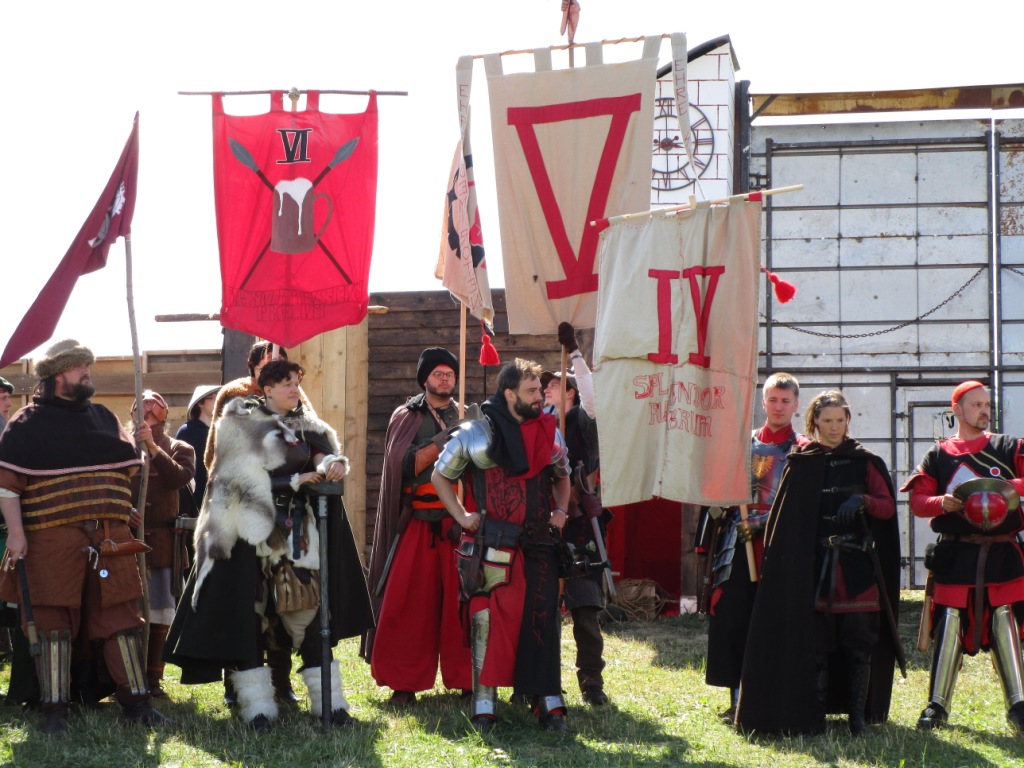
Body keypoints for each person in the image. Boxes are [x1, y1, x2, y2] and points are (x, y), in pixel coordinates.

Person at [165, 360, 373, 731]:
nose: (295, 389)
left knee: (309, 614)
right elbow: (233, 478)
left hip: (297, 536)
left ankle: (330, 705)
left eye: (296, 382)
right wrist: (295, 480)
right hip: (247, 538)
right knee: (250, 616)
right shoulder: (239, 424)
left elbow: (318, 455)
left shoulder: (306, 425)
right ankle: (258, 708)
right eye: (286, 383)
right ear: (268, 389)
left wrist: (331, 463)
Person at [0, 339, 171, 733]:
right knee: (52, 623)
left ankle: (137, 704)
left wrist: (125, 492)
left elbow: (126, 471)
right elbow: (7, 487)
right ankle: (55, 710)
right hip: (51, 540)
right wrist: (16, 534)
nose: (88, 374)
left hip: (109, 538)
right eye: (81, 368)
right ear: (59, 374)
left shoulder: (102, 417)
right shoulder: (27, 423)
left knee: (121, 619)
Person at [736, 390, 900, 735]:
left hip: (856, 569)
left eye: (840, 420)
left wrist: (864, 500)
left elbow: (887, 508)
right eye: (828, 421)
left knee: (859, 646)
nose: (835, 427)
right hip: (813, 568)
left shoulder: (866, 461)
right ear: (815, 422)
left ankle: (857, 719)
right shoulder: (803, 461)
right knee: (817, 647)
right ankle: (817, 716)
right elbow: (787, 516)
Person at [431, 358, 571, 733]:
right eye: (532, 391)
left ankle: (546, 698)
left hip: (538, 544)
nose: (540, 397)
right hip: (491, 544)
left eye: (540, 390)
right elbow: (440, 475)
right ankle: (484, 702)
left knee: (542, 618)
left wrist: (560, 510)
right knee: (486, 618)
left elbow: (563, 476)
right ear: (509, 394)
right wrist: (462, 516)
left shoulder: (548, 433)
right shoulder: (475, 433)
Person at [902, 380, 1024, 733]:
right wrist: (942, 502)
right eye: (976, 405)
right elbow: (918, 502)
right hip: (955, 554)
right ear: (957, 410)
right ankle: (937, 705)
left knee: (1005, 617)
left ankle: (1018, 705)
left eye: (987, 405)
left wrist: (1001, 488)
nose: (984, 411)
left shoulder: (1009, 447)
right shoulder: (938, 455)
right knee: (950, 620)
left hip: (1002, 552)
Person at [364, 347, 472, 705]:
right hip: (418, 524)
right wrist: (444, 440)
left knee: (463, 602)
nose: (445, 380)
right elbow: (404, 464)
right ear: (425, 378)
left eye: (450, 374)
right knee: (409, 603)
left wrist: (470, 433)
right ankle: (404, 681)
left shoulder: (465, 414)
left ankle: (467, 679)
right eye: (438, 374)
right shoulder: (407, 416)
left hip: (457, 524)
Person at [206, 341, 306, 705]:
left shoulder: (296, 400)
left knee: (281, 601)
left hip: (285, 517)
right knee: (243, 600)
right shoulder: (235, 396)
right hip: (242, 513)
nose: (276, 366)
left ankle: (281, 681)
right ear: (254, 368)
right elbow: (217, 455)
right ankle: (237, 684)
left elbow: (307, 445)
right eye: (268, 363)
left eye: (280, 361)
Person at [699, 372, 800, 719]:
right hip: (736, 540)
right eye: (773, 399)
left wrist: (764, 522)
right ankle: (737, 701)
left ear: (795, 405)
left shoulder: (801, 449)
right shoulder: (741, 444)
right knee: (733, 617)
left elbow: (799, 501)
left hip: (778, 542)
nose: (778, 406)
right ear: (763, 402)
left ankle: (770, 698)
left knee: (772, 621)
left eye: (785, 400)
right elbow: (716, 489)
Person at [541, 322, 611, 707]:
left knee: (584, 609)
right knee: (543, 608)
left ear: (569, 391)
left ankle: (592, 683)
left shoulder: (584, 423)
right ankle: (544, 680)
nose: (545, 389)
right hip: (545, 525)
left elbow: (592, 396)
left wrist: (576, 354)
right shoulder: (539, 426)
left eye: (553, 385)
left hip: (580, 527)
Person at [129, 389, 195, 698]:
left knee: (159, 613)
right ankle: (127, 679)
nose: (144, 418)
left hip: (164, 544)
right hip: (127, 540)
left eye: (150, 414)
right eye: (140, 413)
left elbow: (179, 478)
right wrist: (124, 511)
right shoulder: (121, 446)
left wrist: (153, 448)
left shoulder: (180, 447)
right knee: (126, 613)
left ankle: (153, 679)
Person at [175, 384, 220, 513]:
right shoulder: (187, 432)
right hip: (195, 500)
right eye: (213, 398)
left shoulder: (222, 431)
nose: (218, 402)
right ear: (200, 403)